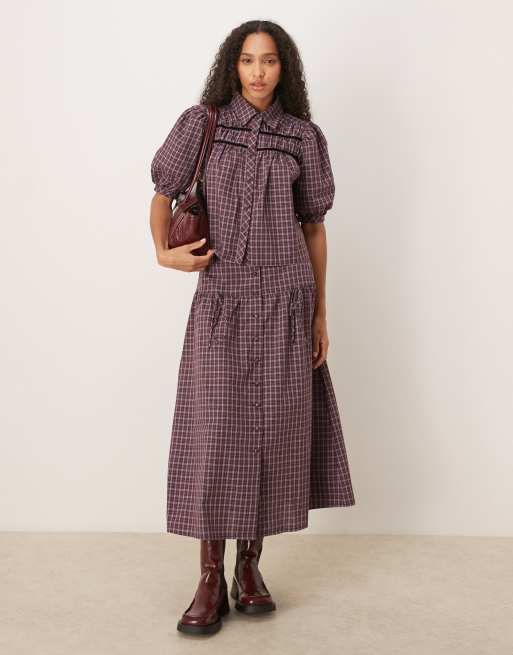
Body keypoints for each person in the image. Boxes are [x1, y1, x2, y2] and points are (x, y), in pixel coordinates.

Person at [149, 20, 356, 636]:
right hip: (222, 299)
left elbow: (313, 226)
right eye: (247, 60)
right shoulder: (203, 125)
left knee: (269, 433)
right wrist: (163, 252)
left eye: (269, 61)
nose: (258, 72)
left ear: (284, 68)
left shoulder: (303, 138)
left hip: (287, 301)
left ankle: (249, 567)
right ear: (232, 66)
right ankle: (209, 578)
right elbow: (162, 193)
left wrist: (320, 311)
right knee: (216, 433)